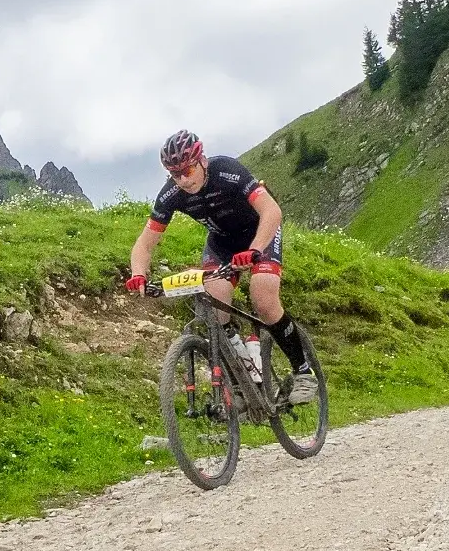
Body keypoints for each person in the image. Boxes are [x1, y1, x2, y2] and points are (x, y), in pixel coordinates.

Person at [124, 131, 318, 403]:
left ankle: (303, 372)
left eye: (188, 169)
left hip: (259, 233)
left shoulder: (227, 170)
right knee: (216, 304)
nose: (183, 179)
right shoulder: (172, 194)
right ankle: (242, 382)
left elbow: (271, 211)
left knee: (263, 298)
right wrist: (139, 275)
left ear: (201, 159)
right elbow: (144, 245)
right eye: (174, 174)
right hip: (222, 244)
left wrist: (254, 250)